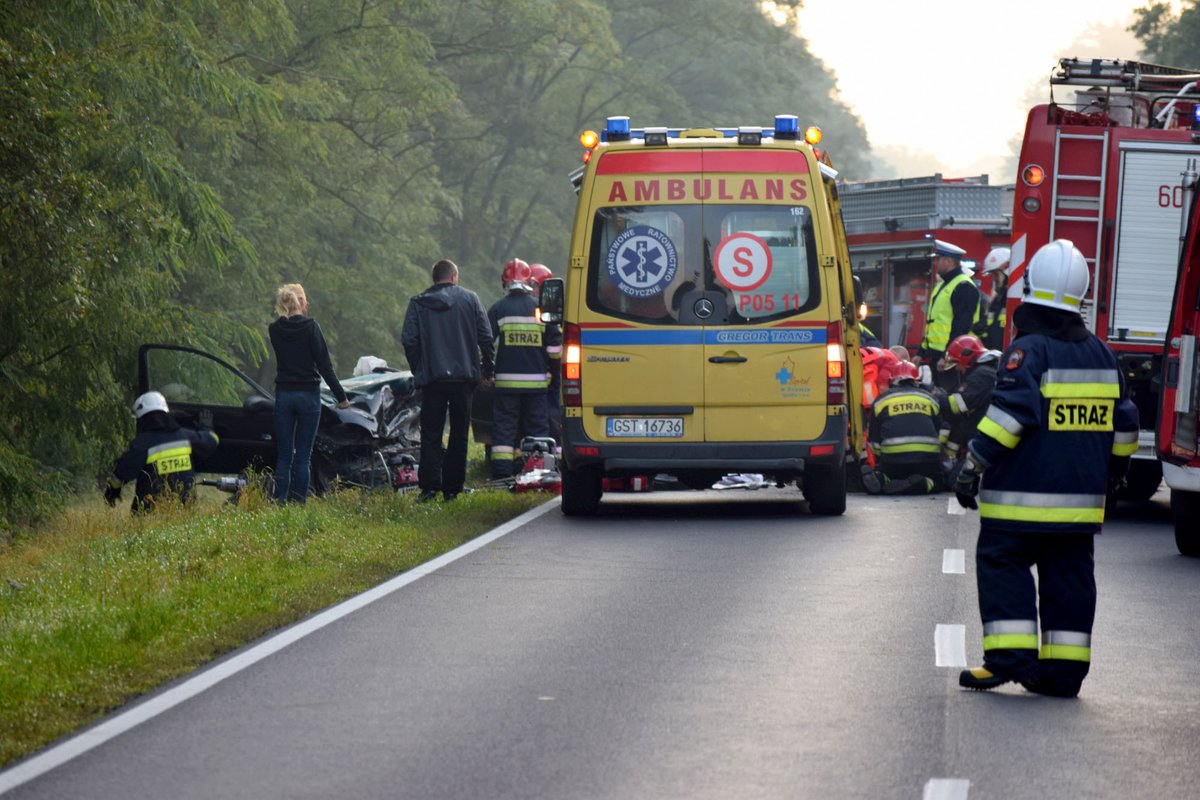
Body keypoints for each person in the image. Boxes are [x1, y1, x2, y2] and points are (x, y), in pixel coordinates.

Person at [954, 239, 1139, 698]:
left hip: (1021, 500)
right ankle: (1062, 675)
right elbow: (1126, 425)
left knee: (1003, 564)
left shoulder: (1027, 352)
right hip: (1079, 507)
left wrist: (973, 464)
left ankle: (1007, 661)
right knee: (1070, 581)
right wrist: (1114, 474)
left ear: (1031, 288)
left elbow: (1011, 417)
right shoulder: (1102, 354)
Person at [402, 259, 495, 501]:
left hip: (432, 378)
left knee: (431, 432)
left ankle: (429, 487)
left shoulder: (418, 303)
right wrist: (487, 371)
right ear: (454, 277)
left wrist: (419, 369)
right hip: (464, 378)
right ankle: (453, 488)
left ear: (435, 278)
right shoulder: (471, 299)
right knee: (459, 432)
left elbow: (409, 340)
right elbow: (486, 337)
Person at [268, 283, 351, 505]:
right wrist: (341, 397)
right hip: (308, 396)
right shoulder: (312, 327)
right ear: (303, 303)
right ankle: (299, 504)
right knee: (303, 457)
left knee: (284, 456)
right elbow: (325, 366)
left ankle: (279, 503)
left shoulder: (274, 330)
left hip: (284, 395)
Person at [487, 258, 555, 479]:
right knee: (537, 429)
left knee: (505, 431)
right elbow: (555, 349)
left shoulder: (498, 309)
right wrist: (553, 370)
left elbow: (484, 343)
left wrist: (485, 372)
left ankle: (503, 473)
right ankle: (539, 472)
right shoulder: (541, 309)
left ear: (504, 281)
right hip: (537, 385)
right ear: (529, 281)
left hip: (506, 384)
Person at [104, 391, 219, 513]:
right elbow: (212, 440)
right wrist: (206, 426)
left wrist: (112, 492)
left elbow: (122, 472)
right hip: (185, 511)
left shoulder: (142, 444)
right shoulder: (184, 436)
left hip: (149, 513)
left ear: (143, 419)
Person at [860, 361, 944, 495]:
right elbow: (938, 429)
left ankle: (881, 479)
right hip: (927, 457)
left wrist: (880, 461)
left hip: (893, 458)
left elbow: (874, 439)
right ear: (916, 381)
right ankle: (921, 483)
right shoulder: (930, 399)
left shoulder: (881, 400)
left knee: (890, 473)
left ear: (892, 381)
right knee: (939, 481)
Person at [917, 240, 982, 393]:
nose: (935, 263)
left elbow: (961, 325)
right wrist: (921, 352)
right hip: (937, 357)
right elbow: (933, 325)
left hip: (954, 360)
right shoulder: (942, 286)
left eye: (938, 259)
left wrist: (948, 357)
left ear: (949, 261)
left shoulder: (963, 286)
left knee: (950, 398)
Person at [935, 334, 999, 476]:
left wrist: (936, 397)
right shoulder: (983, 372)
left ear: (967, 358)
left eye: (957, 363)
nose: (957, 368)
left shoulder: (982, 375)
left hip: (982, 440)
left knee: (954, 481)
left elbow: (956, 406)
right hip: (979, 437)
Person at [529, 263, 563, 449]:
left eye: (534, 286)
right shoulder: (532, 310)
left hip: (553, 376)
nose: (531, 291)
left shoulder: (549, 311)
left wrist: (555, 372)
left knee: (552, 416)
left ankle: (556, 453)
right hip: (539, 376)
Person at [975, 247, 1011, 350]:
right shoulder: (997, 300)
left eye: (996, 274)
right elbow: (992, 328)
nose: (994, 279)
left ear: (1007, 270)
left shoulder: (1012, 300)